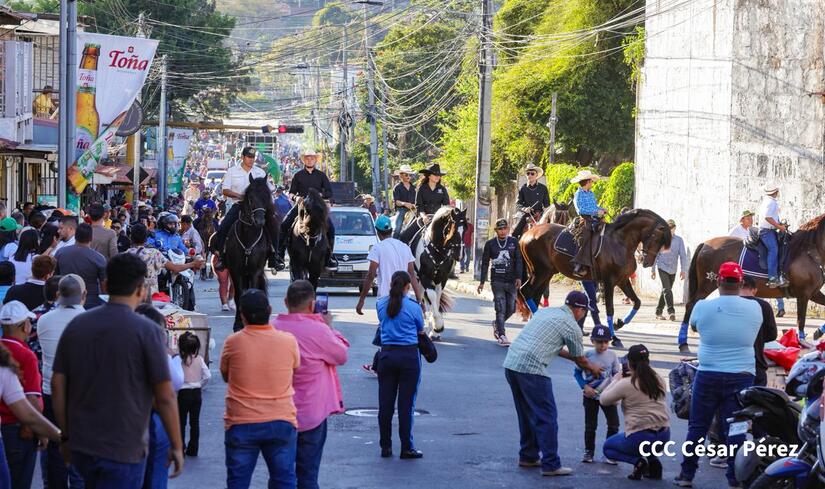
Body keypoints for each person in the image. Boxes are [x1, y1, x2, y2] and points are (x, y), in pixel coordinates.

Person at [52, 253, 183, 488]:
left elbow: (58, 385)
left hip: (84, 443)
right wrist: (176, 444)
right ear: (142, 290)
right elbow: (165, 395)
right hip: (125, 445)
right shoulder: (148, 331)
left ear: (104, 285)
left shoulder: (77, 325)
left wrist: (65, 436)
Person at [674, 262, 761, 487]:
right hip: (742, 375)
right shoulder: (755, 308)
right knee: (736, 428)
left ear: (718, 281)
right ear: (741, 282)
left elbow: (695, 327)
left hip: (708, 374)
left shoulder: (702, 306)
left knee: (698, 426)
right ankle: (735, 477)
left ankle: (686, 475)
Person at [503, 291, 604, 477]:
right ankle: (550, 464)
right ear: (579, 310)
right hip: (532, 369)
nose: (584, 315)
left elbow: (553, 347)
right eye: (585, 312)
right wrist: (593, 367)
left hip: (512, 364)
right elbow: (580, 359)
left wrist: (582, 361)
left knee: (526, 413)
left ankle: (528, 456)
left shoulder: (546, 312)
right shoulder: (572, 326)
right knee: (547, 416)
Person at [273, 280, 349, 488]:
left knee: (280, 476)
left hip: (278, 414)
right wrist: (329, 326)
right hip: (311, 414)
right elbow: (341, 355)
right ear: (312, 304)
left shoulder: (273, 329)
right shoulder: (320, 330)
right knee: (307, 476)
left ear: (286, 302)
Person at [221, 289, 299, 488]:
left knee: (237, 482)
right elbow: (294, 370)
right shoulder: (288, 341)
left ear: (242, 316)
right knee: (284, 480)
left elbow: (226, 375)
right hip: (281, 419)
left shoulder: (233, 342)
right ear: (270, 310)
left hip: (242, 421)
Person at [37, 274, 86, 488]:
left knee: (54, 449)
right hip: (80, 394)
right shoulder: (88, 321)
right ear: (83, 295)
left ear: (58, 295)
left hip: (50, 391)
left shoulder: (44, 320)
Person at [600, 344, 670, 481]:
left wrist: (615, 380)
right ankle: (653, 461)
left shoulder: (627, 383)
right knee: (649, 437)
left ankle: (638, 462)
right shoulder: (659, 379)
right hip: (664, 436)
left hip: (640, 437)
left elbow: (604, 400)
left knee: (608, 448)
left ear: (629, 363)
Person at [375, 271, 426, 459]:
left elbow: (382, 322)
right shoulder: (414, 307)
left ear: (391, 284)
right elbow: (420, 328)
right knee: (406, 405)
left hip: (387, 355)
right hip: (409, 357)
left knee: (385, 405)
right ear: (408, 287)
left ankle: (385, 446)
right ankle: (406, 447)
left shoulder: (381, 304)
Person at [134, 304, 185, 489]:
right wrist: (177, 445)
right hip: (152, 420)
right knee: (155, 476)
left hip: (123, 421)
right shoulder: (158, 351)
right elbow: (171, 391)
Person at [0, 341, 61, 488]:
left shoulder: (5, 366)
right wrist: (63, 438)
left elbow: (28, 413)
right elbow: (28, 413)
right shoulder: (7, 365)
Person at [212, 147, 280, 270]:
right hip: (239, 205)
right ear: (242, 157)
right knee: (223, 228)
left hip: (258, 208)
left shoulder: (260, 172)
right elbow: (225, 190)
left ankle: (275, 257)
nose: (251, 159)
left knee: (274, 226)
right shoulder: (232, 171)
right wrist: (240, 196)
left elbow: (270, 189)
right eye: (249, 157)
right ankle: (222, 257)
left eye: (253, 157)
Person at [0, 301, 43, 489]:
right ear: (25, 326)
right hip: (19, 429)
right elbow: (32, 399)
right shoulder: (26, 355)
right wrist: (39, 430)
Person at [278, 149, 337, 270]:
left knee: (331, 228)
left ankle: (329, 256)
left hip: (317, 208)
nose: (310, 160)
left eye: (312, 158)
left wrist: (321, 195)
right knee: (284, 224)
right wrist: (296, 198)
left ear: (315, 160)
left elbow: (330, 192)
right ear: (304, 160)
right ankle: (279, 255)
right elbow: (291, 193)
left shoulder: (321, 175)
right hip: (302, 205)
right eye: (307, 158)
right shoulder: (298, 175)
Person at [574, 325, 620, 464]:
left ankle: (609, 453)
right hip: (590, 396)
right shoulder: (587, 355)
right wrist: (585, 386)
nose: (603, 345)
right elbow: (577, 373)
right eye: (599, 342)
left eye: (606, 342)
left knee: (613, 424)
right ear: (592, 341)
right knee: (590, 425)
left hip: (608, 396)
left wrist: (616, 392)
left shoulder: (612, 355)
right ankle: (589, 452)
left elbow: (617, 375)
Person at [478, 219, 523, 346]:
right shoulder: (490, 244)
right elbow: (485, 263)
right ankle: (501, 335)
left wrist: (519, 277)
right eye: (500, 229)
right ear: (496, 230)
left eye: (504, 228)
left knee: (512, 308)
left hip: (511, 280)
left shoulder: (514, 242)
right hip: (497, 281)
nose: (502, 231)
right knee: (500, 308)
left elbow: (519, 260)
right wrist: (482, 282)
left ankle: (497, 324)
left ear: (508, 229)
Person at [128, 223, 202, 298]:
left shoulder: (125, 255)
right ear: (146, 238)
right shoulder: (154, 254)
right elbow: (175, 268)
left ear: (131, 237)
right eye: (170, 224)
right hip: (150, 298)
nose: (172, 226)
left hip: (129, 298)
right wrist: (193, 264)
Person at [54, 223, 107, 308]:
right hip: (90, 302)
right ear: (91, 238)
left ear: (75, 236)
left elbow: (55, 277)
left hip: (65, 299)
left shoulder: (61, 253)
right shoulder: (99, 258)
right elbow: (104, 286)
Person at [740, 276, 778, 387]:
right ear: (755, 290)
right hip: (756, 365)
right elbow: (772, 334)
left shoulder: (727, 305)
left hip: (731, 368)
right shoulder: (764, 305)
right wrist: (759, 338)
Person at [177, 332, 210, 458]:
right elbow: (207, 376)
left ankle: (180, 448)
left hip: (183, 392)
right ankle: (193, 448)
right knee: (194, 422)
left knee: (181, 422)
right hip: (196, 392)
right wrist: (199, 384)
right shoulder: (199, 360)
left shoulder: (179, 361)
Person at [571, 170, 606, 277]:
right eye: (591, 181)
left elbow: (594, 207)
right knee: (584, 237)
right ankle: (578, 265)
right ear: (587, 182)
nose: (592, 183)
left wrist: (601, 209)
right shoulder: (578, 194)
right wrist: (596, 212)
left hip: (595, 219)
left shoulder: (591, 193)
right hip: (585, 219)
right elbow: (580, 210)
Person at [651, 219, 688, 321]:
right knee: (667, 289)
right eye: (668, 227)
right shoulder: (660, 240)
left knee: (666, 290)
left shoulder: (679, 240)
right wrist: (653, 269)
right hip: (662, 267)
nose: (670, 229)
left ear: (674, 228)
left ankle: (658, 311)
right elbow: (655, 255)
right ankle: (671, 311)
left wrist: (683, 270)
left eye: (672, 227)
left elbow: (683, 256)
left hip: (673, 269)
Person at [758, 185, 788, 288]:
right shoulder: (770, 202)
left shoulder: (769, 201)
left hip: (770, 230)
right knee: (773, 249)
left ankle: (781, 274)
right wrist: (779, 226)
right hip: (766, 232)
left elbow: (772, 217)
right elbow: (767, 217)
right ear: (776, 192)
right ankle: (772, 278)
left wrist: (780, 224)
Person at [512, 163, 550, 239]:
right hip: (527, 214)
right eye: (528, 173)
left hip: (540, 214)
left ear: (536, 175)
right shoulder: (523, 188)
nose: (530, 175)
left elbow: (547, 204)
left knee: (551, 230)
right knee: (515, 233)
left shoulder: (543, 188)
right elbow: (518, 204)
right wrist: (524, 209)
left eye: (532, 173)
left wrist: (546, 211)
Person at [391, 165, 416, 239]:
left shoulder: (414, 188)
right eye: (406, 175)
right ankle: (394, 241)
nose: (409, 176)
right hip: (401, 210)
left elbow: (417, 200)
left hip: (413, 210)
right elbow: (396, 202)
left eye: (410, 175)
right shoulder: (397, 187)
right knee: (397, 228)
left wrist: (414, 205)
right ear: (401, 176)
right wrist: (404, 203)